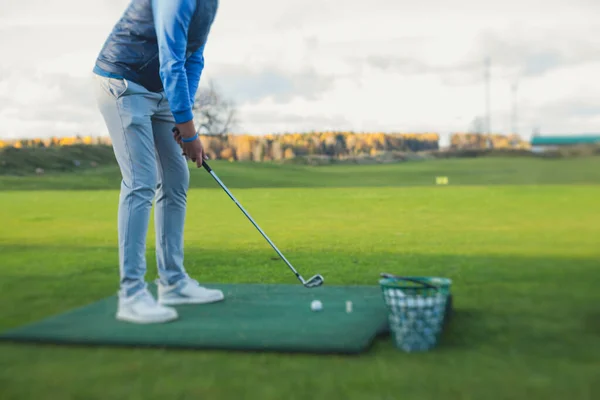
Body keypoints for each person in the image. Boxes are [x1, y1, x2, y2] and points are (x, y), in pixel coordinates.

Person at [92, 0, 224, 324]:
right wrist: (190, 134)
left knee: (176, 179)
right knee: (141, 181)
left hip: (160, 89)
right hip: (123, 82)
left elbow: (195, 56)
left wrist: (185, 119)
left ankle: (173, 282)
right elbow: (171, 60)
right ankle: (132, 294)